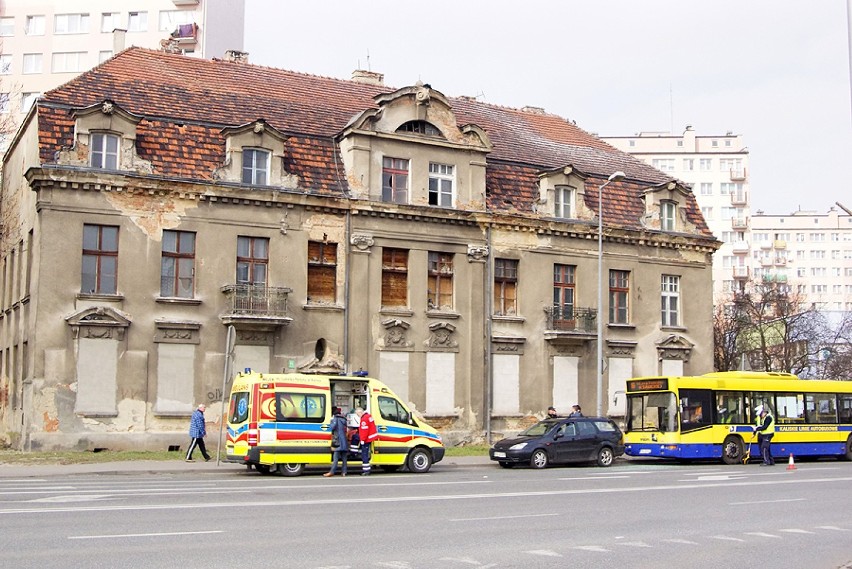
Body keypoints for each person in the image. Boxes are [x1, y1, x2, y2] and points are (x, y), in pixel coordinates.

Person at [324, 407, 349, 477]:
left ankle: (332, 472)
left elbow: (332, 427)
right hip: (344, 441)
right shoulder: (344, 419)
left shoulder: (335, 419)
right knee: (344, 458)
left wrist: (330, 422)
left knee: (336, 457)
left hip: (338, 441)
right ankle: (344, 472)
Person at [356, 407, 378, 476]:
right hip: (370, 437)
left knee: (364, 455)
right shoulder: (368, 416)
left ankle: (366, 471)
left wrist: (362, 440)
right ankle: (366, 470)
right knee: (365, 454)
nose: (358, 416)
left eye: (357, 414)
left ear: (360, 412)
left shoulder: (364, 419)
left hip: (367, 439)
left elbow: (364, 431)